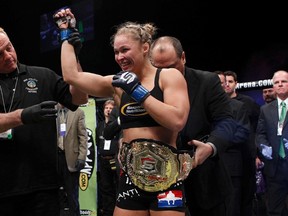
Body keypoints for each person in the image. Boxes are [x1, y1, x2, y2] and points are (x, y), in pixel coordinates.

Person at [54, 8, 192, 216]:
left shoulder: (168, 76)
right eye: (116, 52)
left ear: (145, 47)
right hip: (130, 178)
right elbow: (71, 76)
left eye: (125, 50)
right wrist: (66, 36)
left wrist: (137, 91)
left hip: (166, 178)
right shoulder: (117, 84)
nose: (120, 57)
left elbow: (177, 121)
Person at [0, 27, 87, 216]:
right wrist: (21, 116)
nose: (8, 56)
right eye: (0, 54)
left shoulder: (42, 76)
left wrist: (74, 58)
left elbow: (80, 98)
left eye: (9, 47)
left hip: (43, 186)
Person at [150, 36, 241, 216]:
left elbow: (227, 121)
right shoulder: (148, 86)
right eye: (158, 68)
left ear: (183, 58)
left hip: (205, 179)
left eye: (171, 67)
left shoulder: (207, 82)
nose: (165, 73)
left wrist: (210, 147)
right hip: (163, 179)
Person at [225, 70, 260, 216]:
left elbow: (258, 128)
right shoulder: (216, 104)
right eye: (224, 82)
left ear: (236, 84)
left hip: (248, 155)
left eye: (230, 82)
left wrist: (257, 154)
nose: (227, 85)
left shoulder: (248, 103)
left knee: (246, 195)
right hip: (230, 158)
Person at [215, 70, 251, 216]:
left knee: (231, 206)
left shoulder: (238, 106)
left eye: (222, 83)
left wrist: (216, 142)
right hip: (208, 165)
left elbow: (242, 133)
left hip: (231, 164)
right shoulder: (202, 105)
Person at [256, 70, 288, 216]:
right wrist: (263, 147)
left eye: (284, 81)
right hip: (274, 167)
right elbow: (260, 134)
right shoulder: (265, 109)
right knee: (274, 210)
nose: (280, 84)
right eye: (276, 82)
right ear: (273, 86)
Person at [57, 103, 88, 216]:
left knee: (72, 195)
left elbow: (83, 137)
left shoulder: (78, 112)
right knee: (55, 195)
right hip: (55, 158)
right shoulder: (51, 111)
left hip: (71, 159)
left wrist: (82, 157)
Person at [96, 99, 119, 216]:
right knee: (105, 187)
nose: (108, 110)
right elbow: (96, 142)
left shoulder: (117, 125)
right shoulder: (99, 125)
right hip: (103, 160)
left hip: (114, 159)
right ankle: (108, 212)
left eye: (111, 108)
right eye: (106, 108)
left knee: (117, 186)